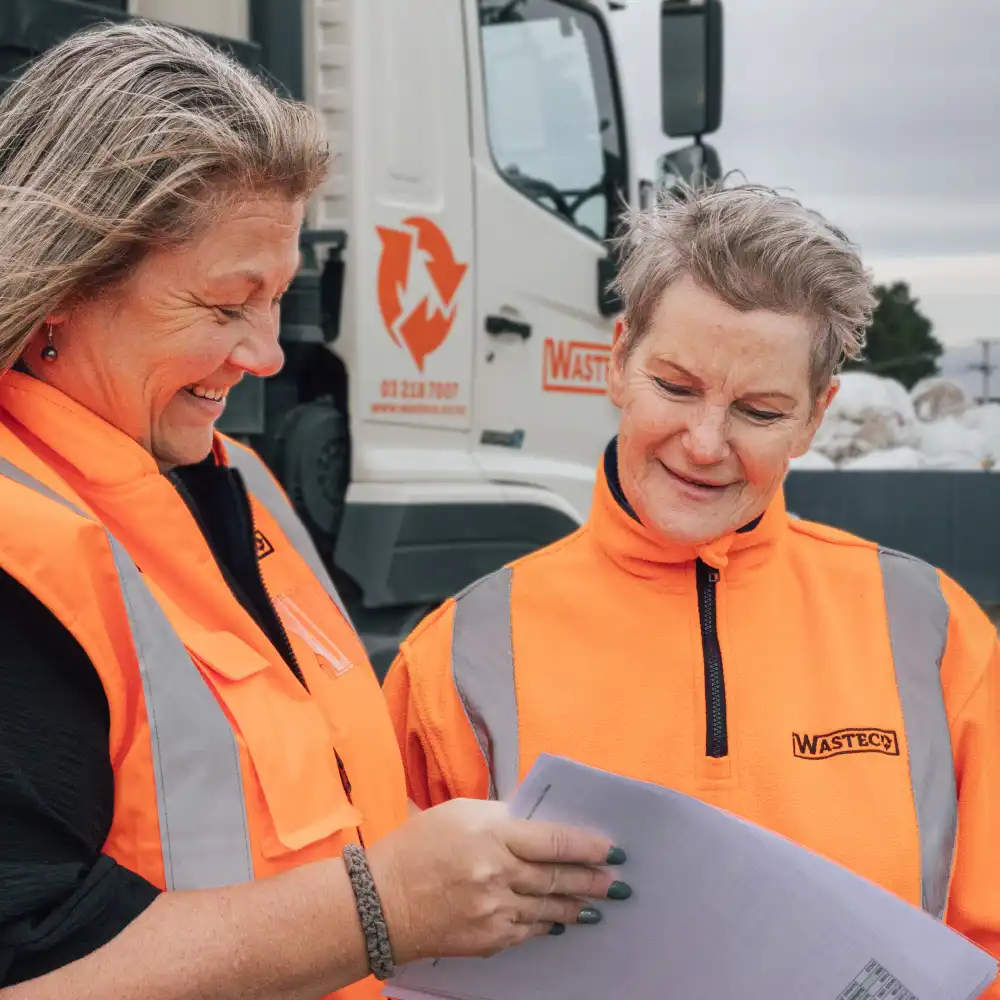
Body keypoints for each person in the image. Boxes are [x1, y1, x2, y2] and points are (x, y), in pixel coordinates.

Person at [0, 22, 632, 999]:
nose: (266, 356)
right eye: (224, 307)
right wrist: (380, 908)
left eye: (279, 300)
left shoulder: (238, 481)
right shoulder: (18, 551)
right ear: (61, 284)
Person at [383, 183, 1000, 981]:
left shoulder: (930, 631)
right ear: (617, 361)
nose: (705, 444)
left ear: (816, 417)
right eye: (675, 388)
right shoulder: (462, 655)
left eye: (761, 411)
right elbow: (382, 948)